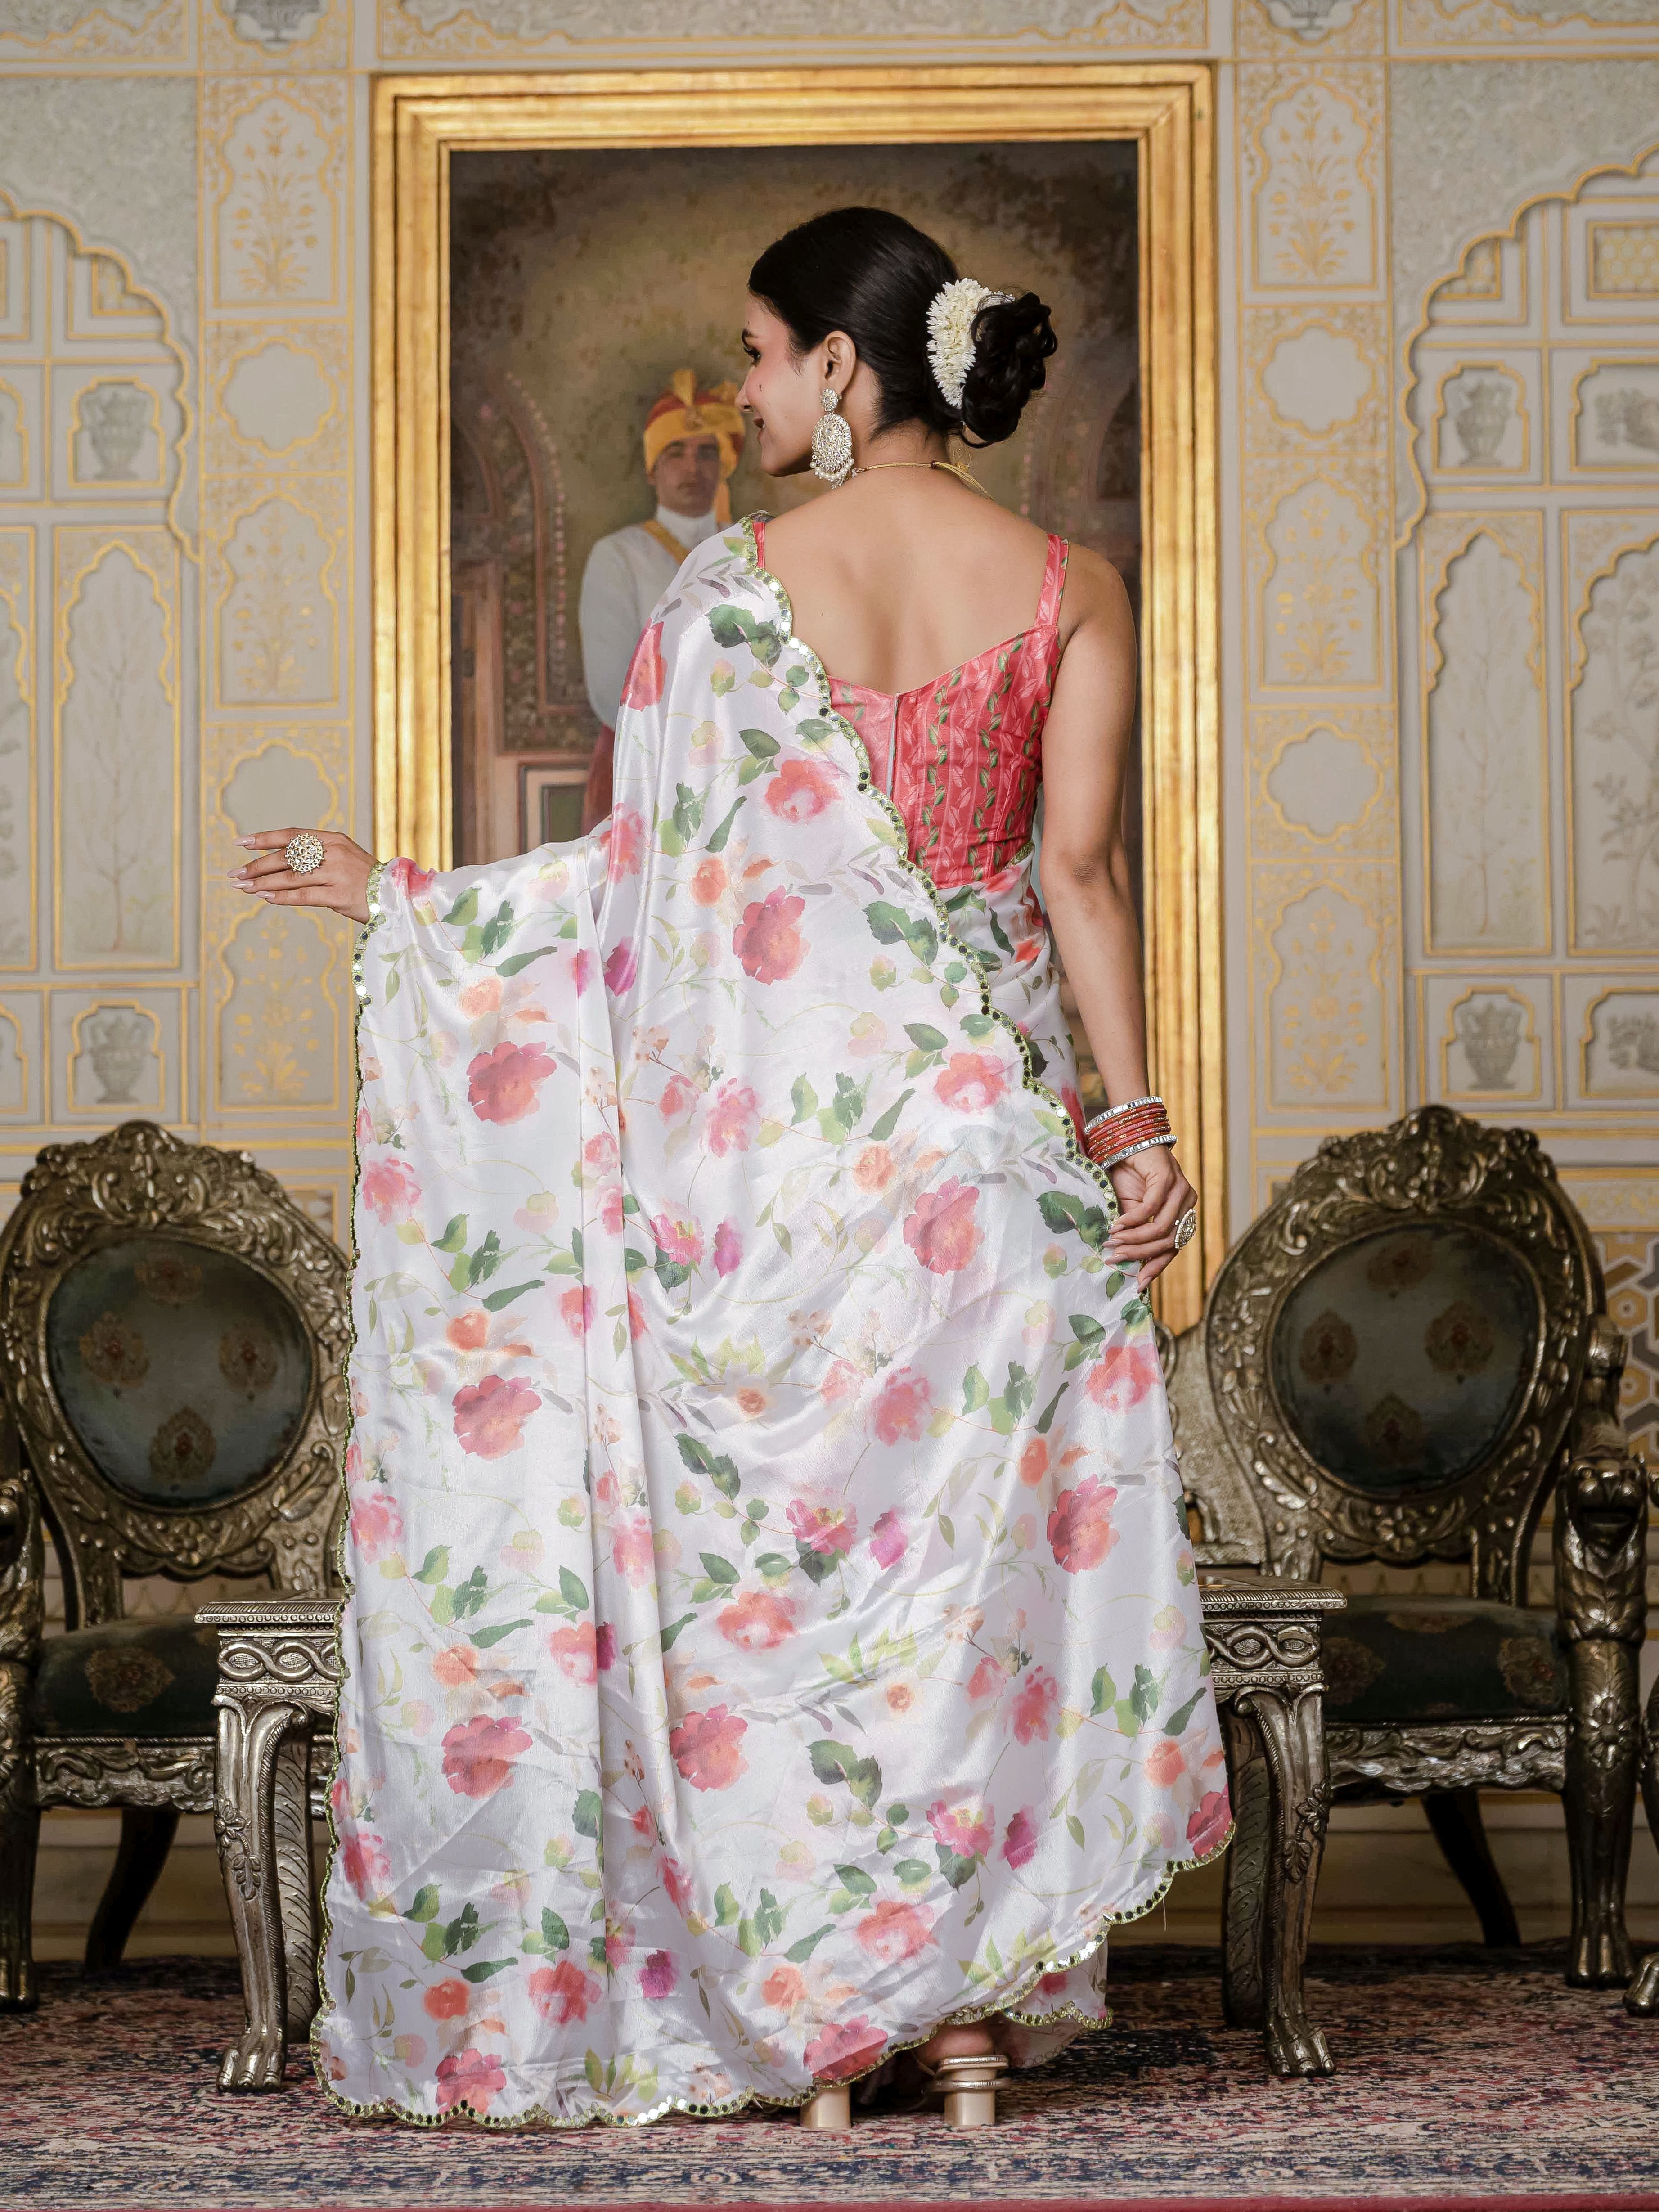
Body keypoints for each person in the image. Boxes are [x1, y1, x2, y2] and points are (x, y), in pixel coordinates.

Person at [236, 206, 1223, 2135]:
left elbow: (645, 898)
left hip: (786, 1185)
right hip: (997, 1169)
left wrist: (411, 906)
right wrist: (1135, 1130)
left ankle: (830, 2024)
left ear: (843, 365)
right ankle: (961, 2021)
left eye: (764, 354)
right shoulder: (1069, 584)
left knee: (795, 1612)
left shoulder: (729, 595)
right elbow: (1079, 877)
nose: (747, 391)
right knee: (964, 1610)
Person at [577, 369, 746, 830]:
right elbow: (611, 687)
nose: (693, 468)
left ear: (724, 466)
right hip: (645, 764)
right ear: (652, 470)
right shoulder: (618, 556)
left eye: (706, 453)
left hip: (739, 759)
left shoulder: (746, 549)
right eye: (676, 453)